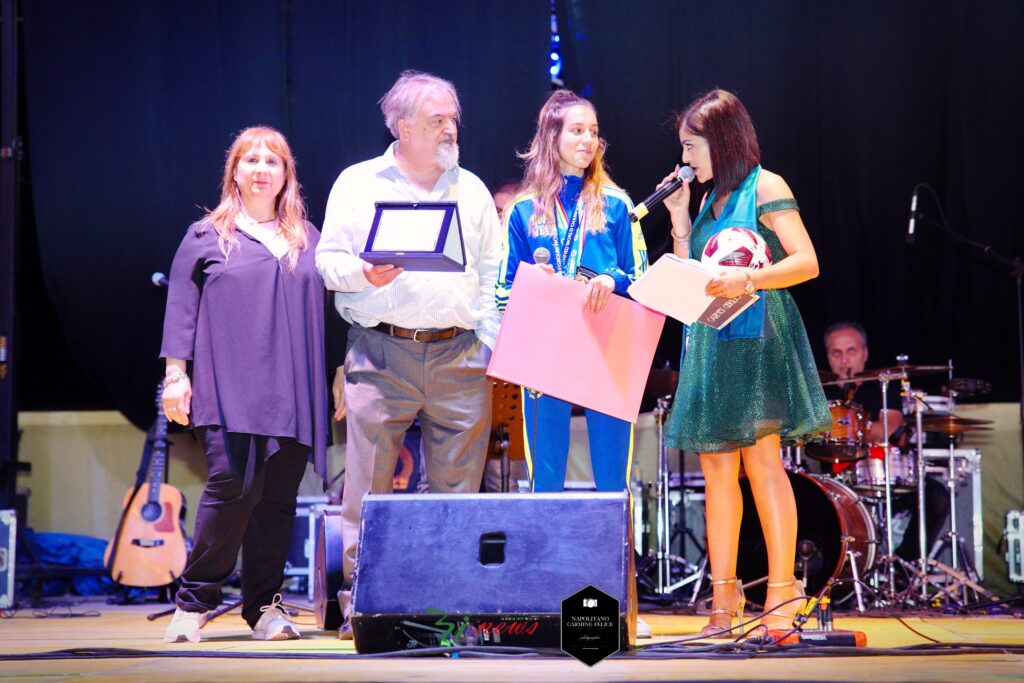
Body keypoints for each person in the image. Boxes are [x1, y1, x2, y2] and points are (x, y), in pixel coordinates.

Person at [316, 71, 500, 638]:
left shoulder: (471, 189)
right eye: (436, 120)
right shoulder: (358, 182)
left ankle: (450, 609)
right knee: (368, 489)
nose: (450, 128)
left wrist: (490, 342)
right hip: (380, 352)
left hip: (460, 356)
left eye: (453, 118)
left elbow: (494, 274)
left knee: (459, 494)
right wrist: (362, 272)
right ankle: (363, 605)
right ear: (402, 126)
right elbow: (327, 259)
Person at [661, 89, 831, 637]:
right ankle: (724, 597)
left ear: (721, 140)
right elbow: (693, 278)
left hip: (758, 337)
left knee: (762, 465)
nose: (686, 160)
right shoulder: (709, 201)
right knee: (716, 473)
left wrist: (751, 278)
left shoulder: (766, 185)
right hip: (712, 339)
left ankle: (781, 596)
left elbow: (806, 262)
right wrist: (681, 220)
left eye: (692, 148)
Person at [160, 126, 328, 643]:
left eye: (272, 161)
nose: (261, 168)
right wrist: (174, 375)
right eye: (250, 159)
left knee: (278, 503)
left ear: (286, 175)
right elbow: (181, 310)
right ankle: (192, 602)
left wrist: (341, 374)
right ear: (234, 171)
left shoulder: (309, 239)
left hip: (292, 392)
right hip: (227, 389)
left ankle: (264, 609)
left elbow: (336, 314)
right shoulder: (206, 235)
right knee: (231, 489)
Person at [495, 89, 649, 494]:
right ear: (552, 137)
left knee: (613, 482)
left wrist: (611, 280)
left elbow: (645, 280)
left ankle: (613, 559)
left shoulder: (617, 205)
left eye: (594, 132)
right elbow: (500, 293)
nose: (588, 140)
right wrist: (533, 284)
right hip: (545, 352)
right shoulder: (523, 210)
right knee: (545, 482)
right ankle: (548, 560)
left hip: (606, 346)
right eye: (577, 130)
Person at [822, 321, 949, 566]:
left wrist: (847, 427)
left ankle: (904, 565)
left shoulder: (881, 387)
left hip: (881, 476)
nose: (844, 360)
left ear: (865, 353)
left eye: (851, 351)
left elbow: (887, 427)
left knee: (935, 495)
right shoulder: (820, 392)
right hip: (834, 484)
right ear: (827, 356)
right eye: (836, 353)